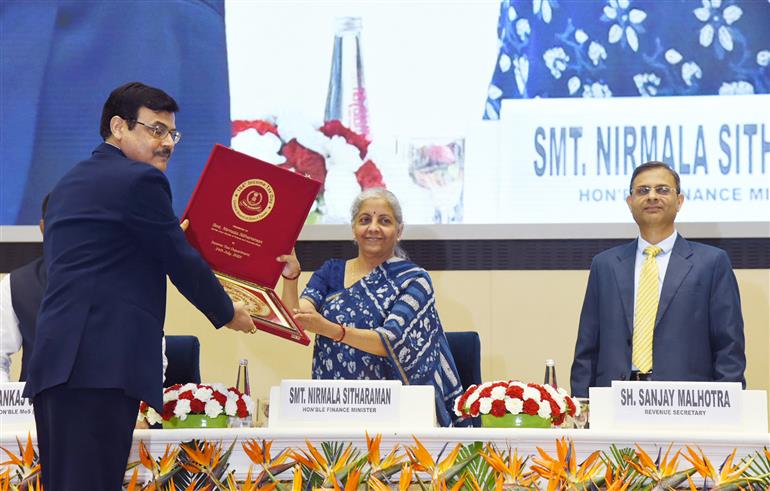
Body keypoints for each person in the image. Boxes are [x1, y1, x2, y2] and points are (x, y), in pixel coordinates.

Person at [22, 82, 255, 491]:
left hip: (60, 366)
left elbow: (108, 258)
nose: (166, 143)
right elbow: (178, 259)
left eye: (172, 134)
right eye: (156, 130)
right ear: (118, 127)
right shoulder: (138, 182)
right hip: (98, 367)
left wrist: (165, 239)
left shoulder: (70, 183)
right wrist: (227, 311)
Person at [279, 188, 470, 427]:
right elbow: (294, 321)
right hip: (331, 407)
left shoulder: (414, 280)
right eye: (365, 220)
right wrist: (290, 277)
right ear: (353, 229)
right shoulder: (331, 272)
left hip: (393, 413)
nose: (373, 228)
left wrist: (330, 329)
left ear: (399, 231)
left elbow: (390, 341)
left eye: (385, 221)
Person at [570, 161, 746, 397]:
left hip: (686, 404)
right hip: (613, 399)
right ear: (630, 202)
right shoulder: (605, 265)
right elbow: (587, 349)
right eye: (643, 190)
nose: (652, 196)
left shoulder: (712, 263)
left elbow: (728, 347)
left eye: (662, 190)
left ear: (680, 201)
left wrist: (728, 407)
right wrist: (582, 406)